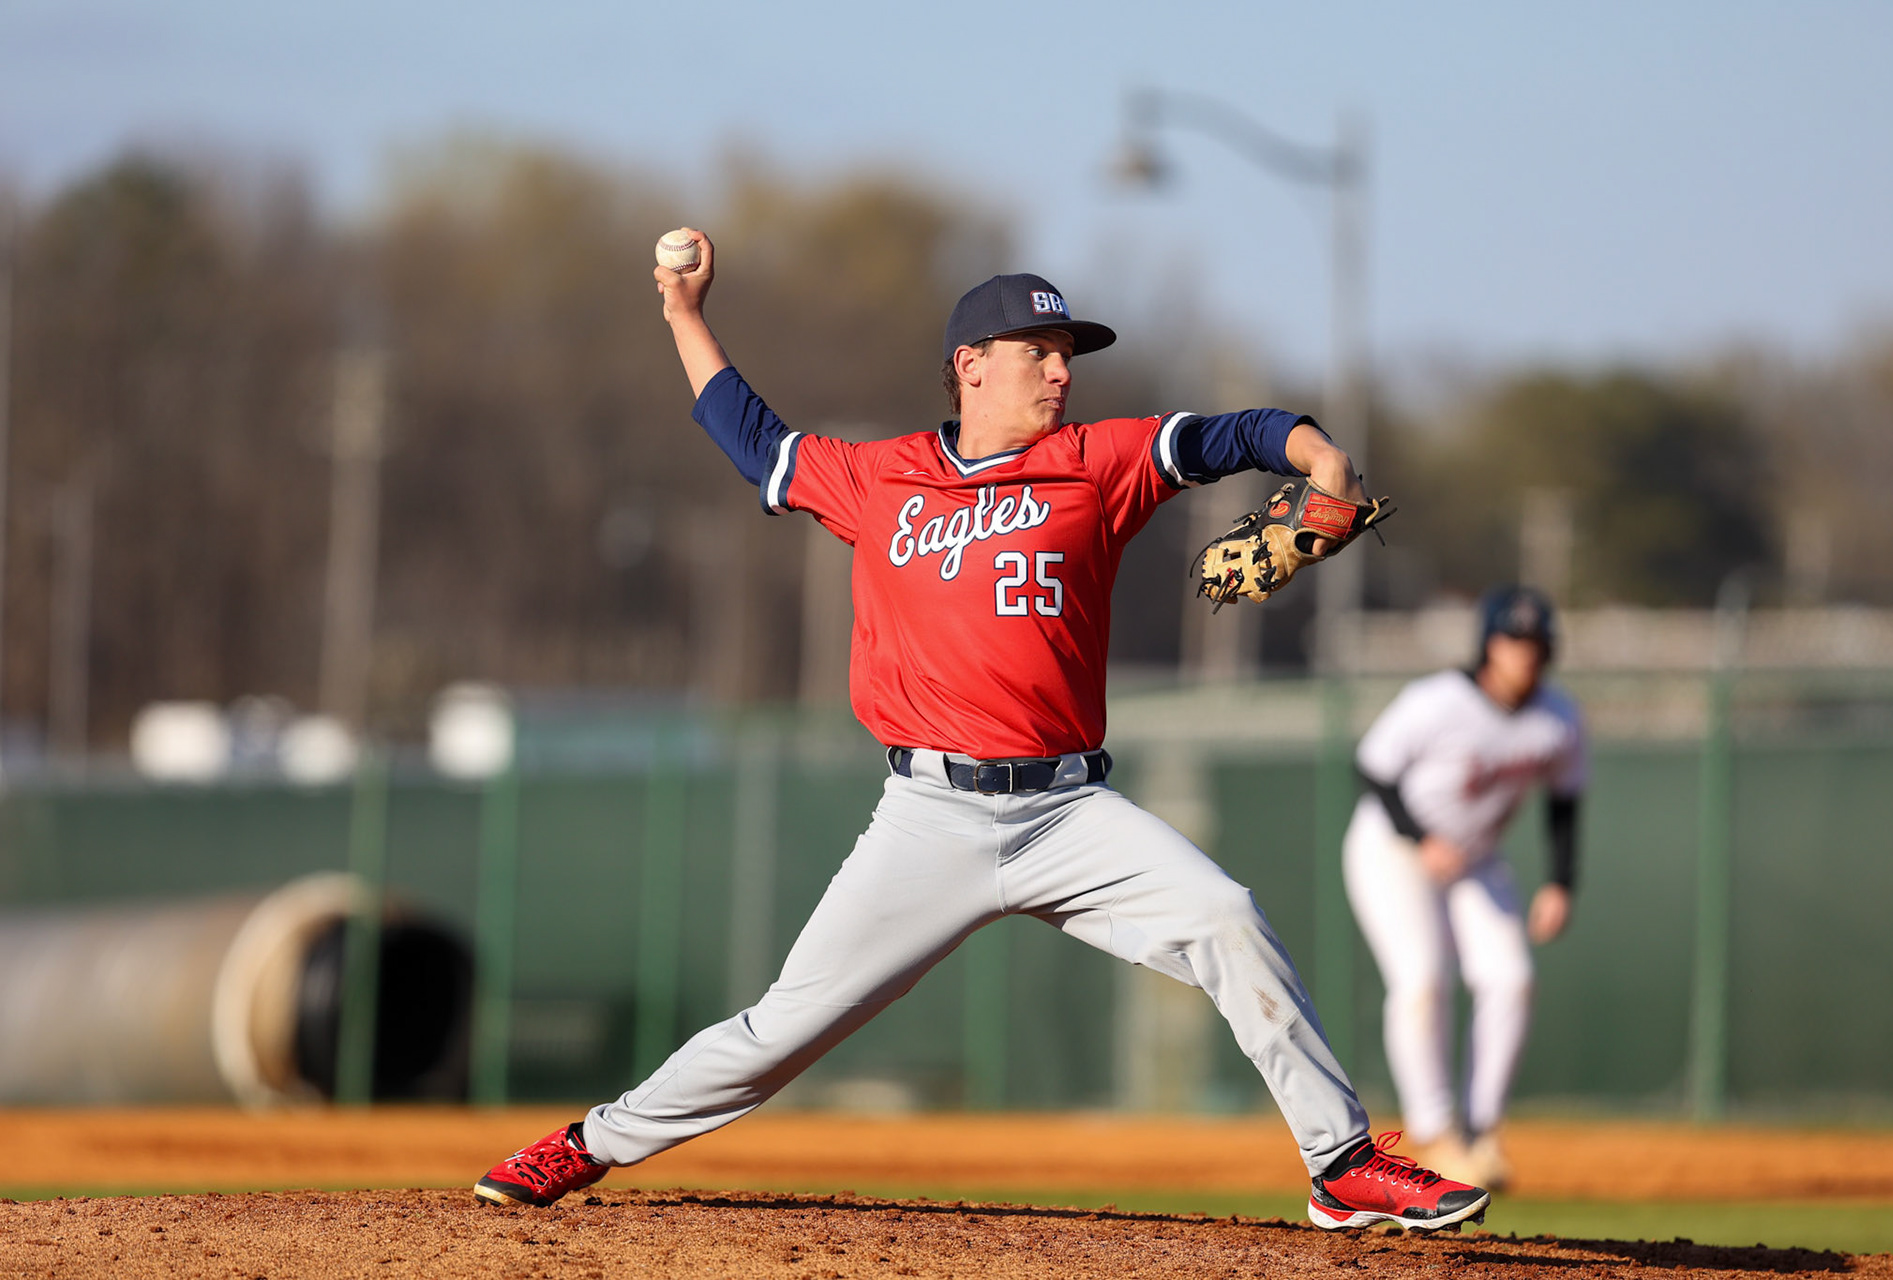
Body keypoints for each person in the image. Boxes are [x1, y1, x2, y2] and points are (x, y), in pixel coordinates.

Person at [474, 230, 1490, 1232]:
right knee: (782, 1027)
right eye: (1038, 352)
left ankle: (1341, 1164)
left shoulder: (1099, 461)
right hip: (930, 814)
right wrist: (686, 316)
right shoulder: (880, 476)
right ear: (969, 365)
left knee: (1227, 915)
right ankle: (591, 1140)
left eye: (1067, 354)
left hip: (1069, 810)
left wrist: (1321, 456)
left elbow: (1231, 435)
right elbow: (754, 439)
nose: (1061, 371)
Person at [1343, 586, 1585, 1190]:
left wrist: (1560, 882)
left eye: (1535, 643)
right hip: (1393, 850)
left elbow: (1565, 800)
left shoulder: (1558, 717)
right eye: (1513, 640)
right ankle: (1436, 1133)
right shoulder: (1438, 702)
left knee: (1511, 978)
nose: (1525, 654)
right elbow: (1372, 767)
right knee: (1422, 980)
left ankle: (1481, 1130)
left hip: (1476, 859)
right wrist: (1422, 837)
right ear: (1489, 644)